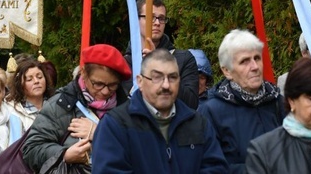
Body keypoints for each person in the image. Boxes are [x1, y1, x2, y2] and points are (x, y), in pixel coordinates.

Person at [92, 49, 228, 173]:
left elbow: (216, 169)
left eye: (173, 77)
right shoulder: (115, 126)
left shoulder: (198, 124)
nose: (166, 85)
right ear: (140, 81)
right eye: (157, 77)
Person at [23, 44, 131, 173]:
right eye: (98, 84)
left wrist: (99, 133)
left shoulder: (127, 108)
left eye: (113, 85)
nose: (105, 91)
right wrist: (64, 154)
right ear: (84, 73)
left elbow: (142, 149)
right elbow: (31, 149)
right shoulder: (60, 105)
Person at [199, 29, 286, 174]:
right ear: (227, 71)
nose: (255, 67)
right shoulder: (211, 112)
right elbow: (208, 166)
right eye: (244, 61)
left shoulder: (278, 102)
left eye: (257, 58)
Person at [123, 0, 199, 109]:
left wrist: (160, 64)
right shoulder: (124, 64)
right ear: (136, 20)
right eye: (151, 17)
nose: (157, 23)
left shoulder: (184, 59)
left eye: (161, 18)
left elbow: (191, 103)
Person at [5, 58, 54, 130]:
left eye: (39, 77)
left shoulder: (56, 104)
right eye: (29, 79)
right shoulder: (11, 110)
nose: (36, 81)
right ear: (20, 84)